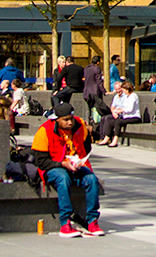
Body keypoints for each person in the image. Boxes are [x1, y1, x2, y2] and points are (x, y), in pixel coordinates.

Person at [30, 102, 106, 237]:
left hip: (75, 165)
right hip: (53, 167)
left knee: (91, 179)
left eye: (71, 118)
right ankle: (65, 223)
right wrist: (62, 164)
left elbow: (86, 147)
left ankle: (92, 221)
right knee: (62, 178)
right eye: (65, 120)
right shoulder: (44, 131)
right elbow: (40, 161)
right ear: (56, 119)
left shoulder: (80, 125)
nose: (70, 122)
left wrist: (77, 162)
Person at [97, 81, 142, 147]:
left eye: (124, 90)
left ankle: (115, 140)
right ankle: (106, 138)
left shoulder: (133, 96)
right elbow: (123, 107)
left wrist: (120, 111)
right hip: (127, 116)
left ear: (127, 89)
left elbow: (130, 109)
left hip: (134, 117)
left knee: (118, 122)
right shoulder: (127, 97)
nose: (123, 92)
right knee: (111, 122)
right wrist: (117, 110)